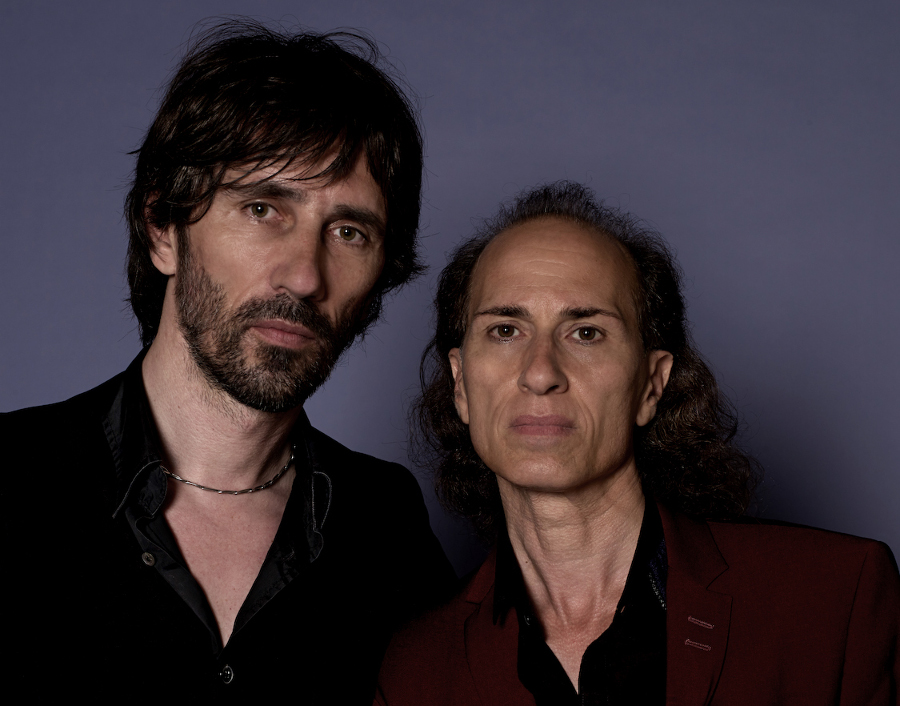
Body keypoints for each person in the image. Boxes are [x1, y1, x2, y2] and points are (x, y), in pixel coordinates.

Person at [2, 20, 454, 698]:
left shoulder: (385, 524)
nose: (305, 276)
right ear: (163, 229)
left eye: (348, 231)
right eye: (263, 209)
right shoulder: (10, 479)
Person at [376, 181, 900, 705]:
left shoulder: (833, 598)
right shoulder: (414, 670)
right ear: (461, 384)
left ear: (651, 385)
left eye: (586, 332)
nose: (540, 373)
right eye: (505, 330)